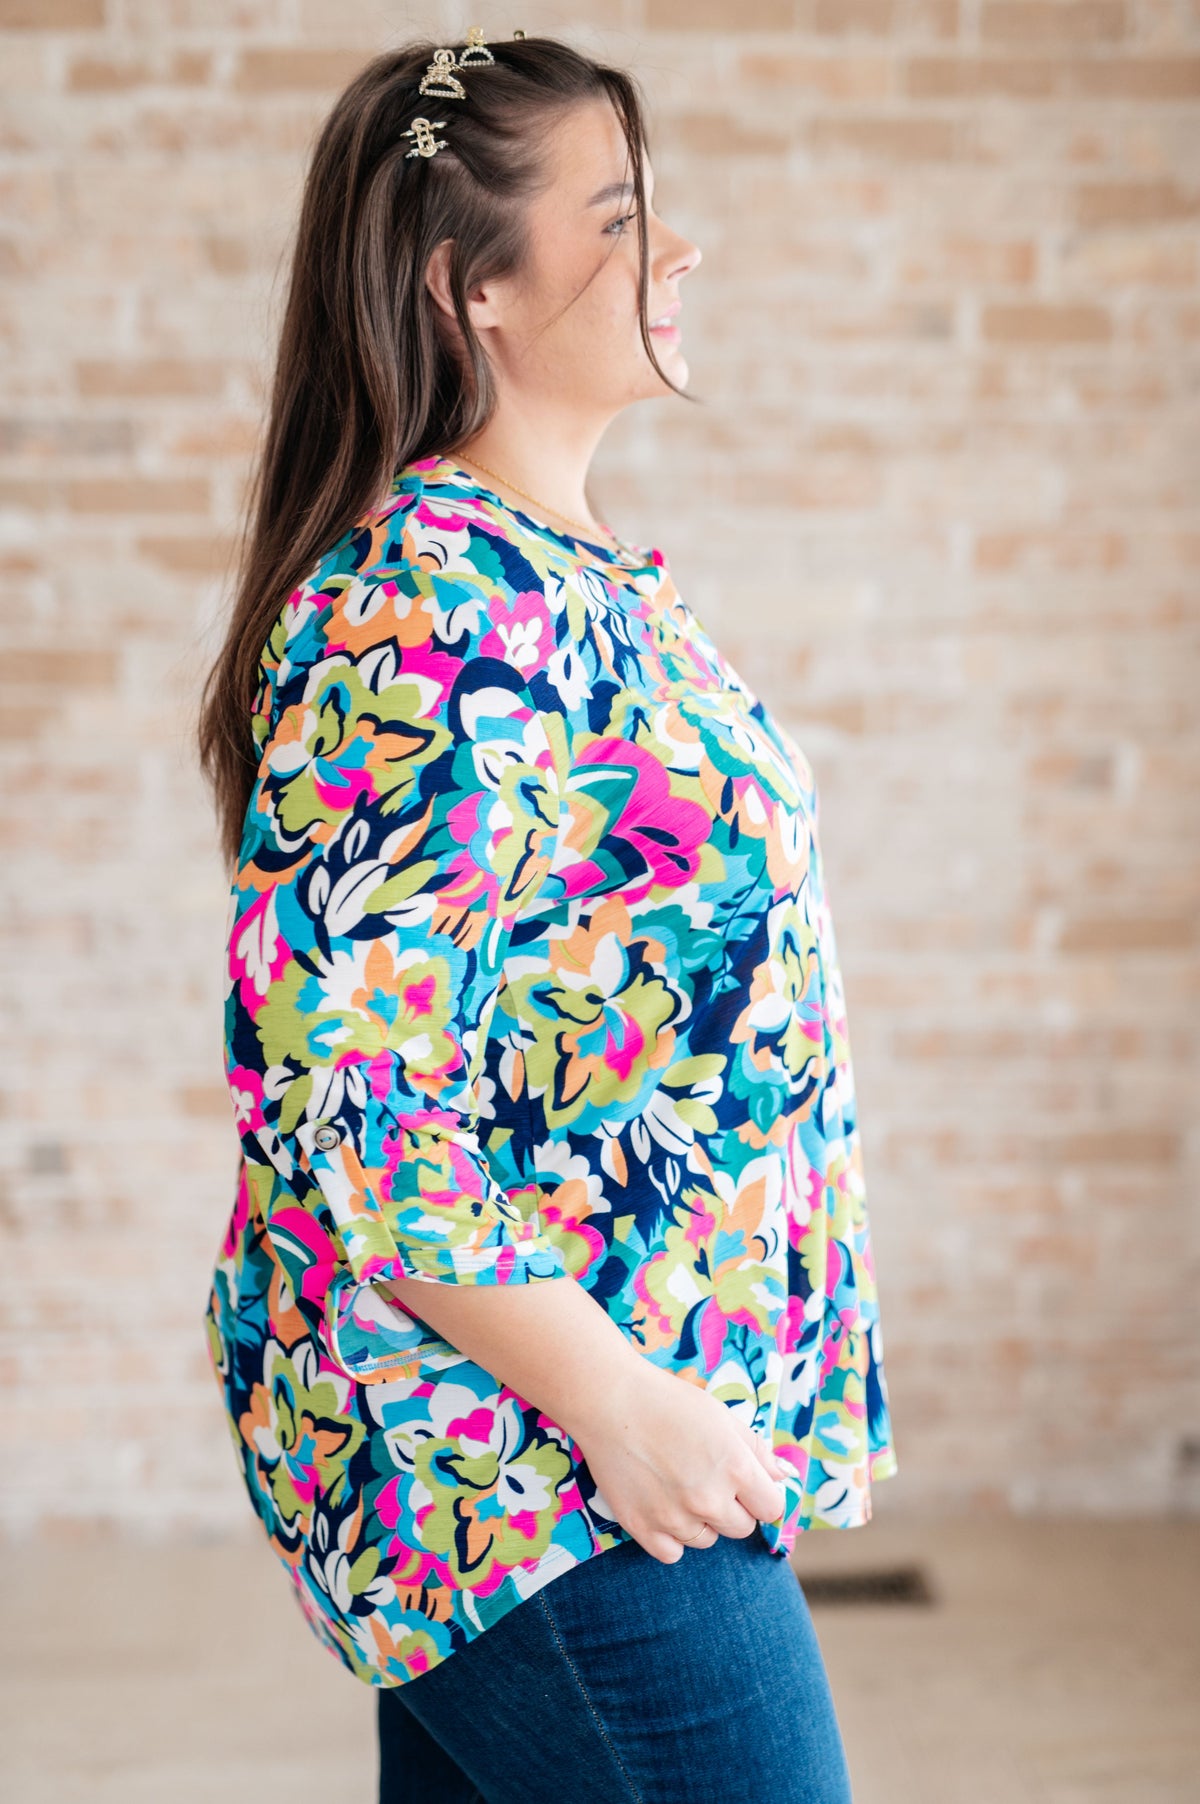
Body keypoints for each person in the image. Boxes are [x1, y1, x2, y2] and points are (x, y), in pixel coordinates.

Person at [198, 27, 898, 1804]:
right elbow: (357, 1099)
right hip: (533, 1480)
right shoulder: (417, 623)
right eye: (619, 216)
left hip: (613, 1449)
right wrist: (629, 1413)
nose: (677, 253)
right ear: (474, 290)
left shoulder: (577, 583)